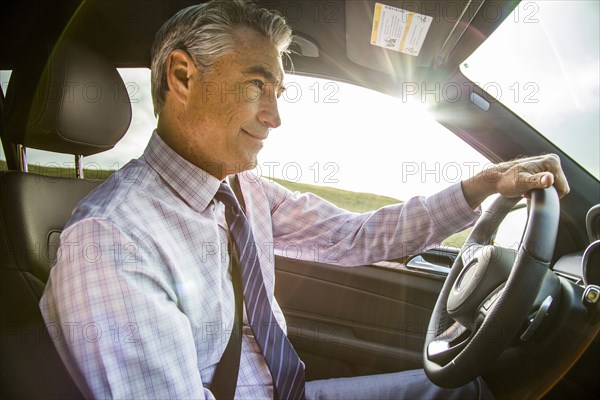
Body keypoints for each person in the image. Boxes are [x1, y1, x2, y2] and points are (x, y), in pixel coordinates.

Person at [39, 0, 570, 399]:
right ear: (182, 76)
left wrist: (479, 186)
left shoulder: (242, 190)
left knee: (465, 391)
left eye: (279, 93)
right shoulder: (112, 242)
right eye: (256, 85)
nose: (274, 116)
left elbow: (357, 236)